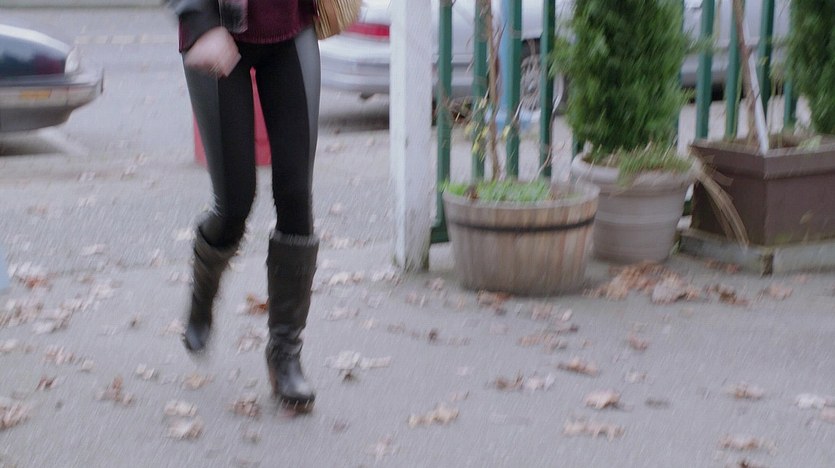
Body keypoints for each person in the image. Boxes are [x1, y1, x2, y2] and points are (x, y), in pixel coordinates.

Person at [165, 0, 320, 411]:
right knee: (234, 203)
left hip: (291, 23)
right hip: (217, 25)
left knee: (296, 194)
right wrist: (198, 21)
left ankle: (285, 352)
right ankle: (203, 291)